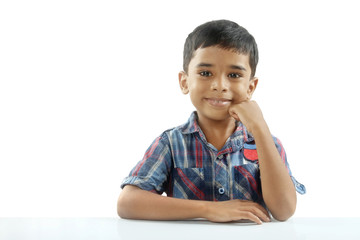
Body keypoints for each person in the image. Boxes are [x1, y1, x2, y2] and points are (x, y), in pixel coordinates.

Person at [117, 19, 306, 224]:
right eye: (205, 73)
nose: (219, 85)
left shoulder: (267, 143)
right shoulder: (171, 143)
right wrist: (209, 209)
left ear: (251, 87)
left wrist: (259, 127)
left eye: (234, 75)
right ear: (184, 81)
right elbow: (128, 202)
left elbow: (284, 210)